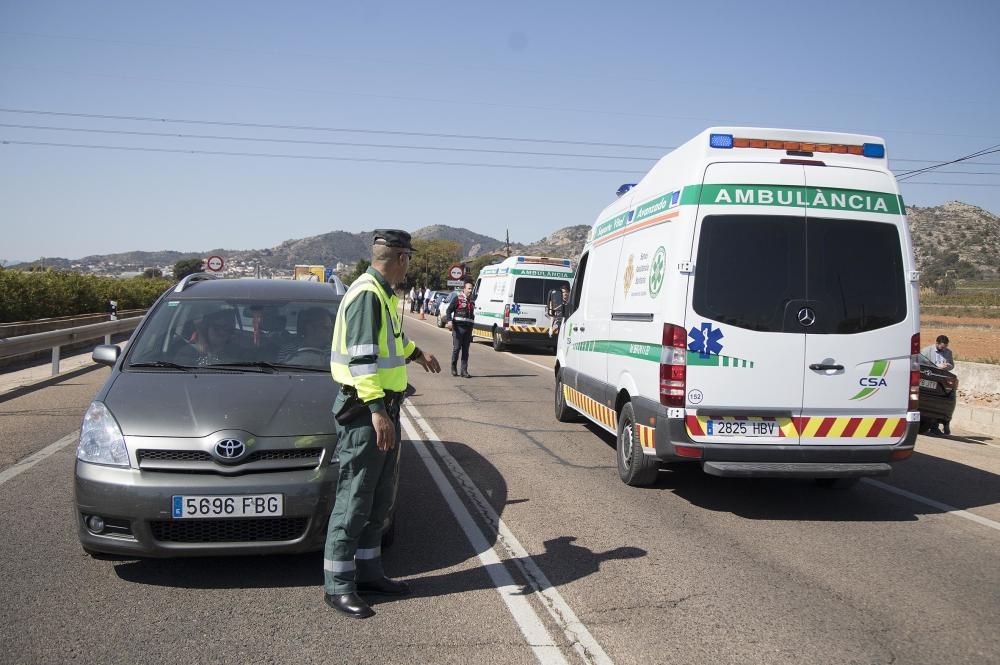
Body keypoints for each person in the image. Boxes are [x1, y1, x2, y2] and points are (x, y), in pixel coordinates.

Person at [324, 229, 441, 619]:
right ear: (401, 258)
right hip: (364, 412)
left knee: (378, 497)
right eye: (408, 259)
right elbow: (361, 360)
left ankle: (370, 572)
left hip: (383, 408)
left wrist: (416, 352)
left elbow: (390, 341)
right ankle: (338, 585)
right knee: (355, 497)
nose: (408, 266)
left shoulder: (383, 295)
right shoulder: (366, 295)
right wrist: (376, 410)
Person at [445, 280, 476, 378]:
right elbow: (449, 310)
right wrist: (449, 321)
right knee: (457, 348)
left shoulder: (472, 301)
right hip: (458, 328)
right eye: (469, 288)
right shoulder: (457, 298)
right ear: (464, 289)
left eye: (471, 289)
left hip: (468, 329)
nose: (470, 291)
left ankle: (464, 371)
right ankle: (453, 367)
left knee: (465, 350)